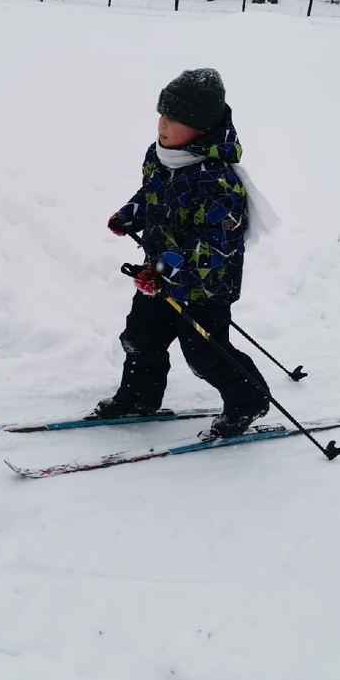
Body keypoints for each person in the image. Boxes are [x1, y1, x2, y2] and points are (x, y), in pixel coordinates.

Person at [90, 68, 270, 439]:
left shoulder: (219, 180)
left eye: (176, 119)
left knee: (206, 355)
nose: (163, 124)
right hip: (157, 275)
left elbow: (218, 244)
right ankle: (139, 397)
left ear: (202, 128)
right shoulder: (159, 156)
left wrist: (165, 268)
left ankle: (249, 400)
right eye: (162, 114)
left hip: (205, 285)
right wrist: (131, 214)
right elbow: (152, 195)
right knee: (140, 338)